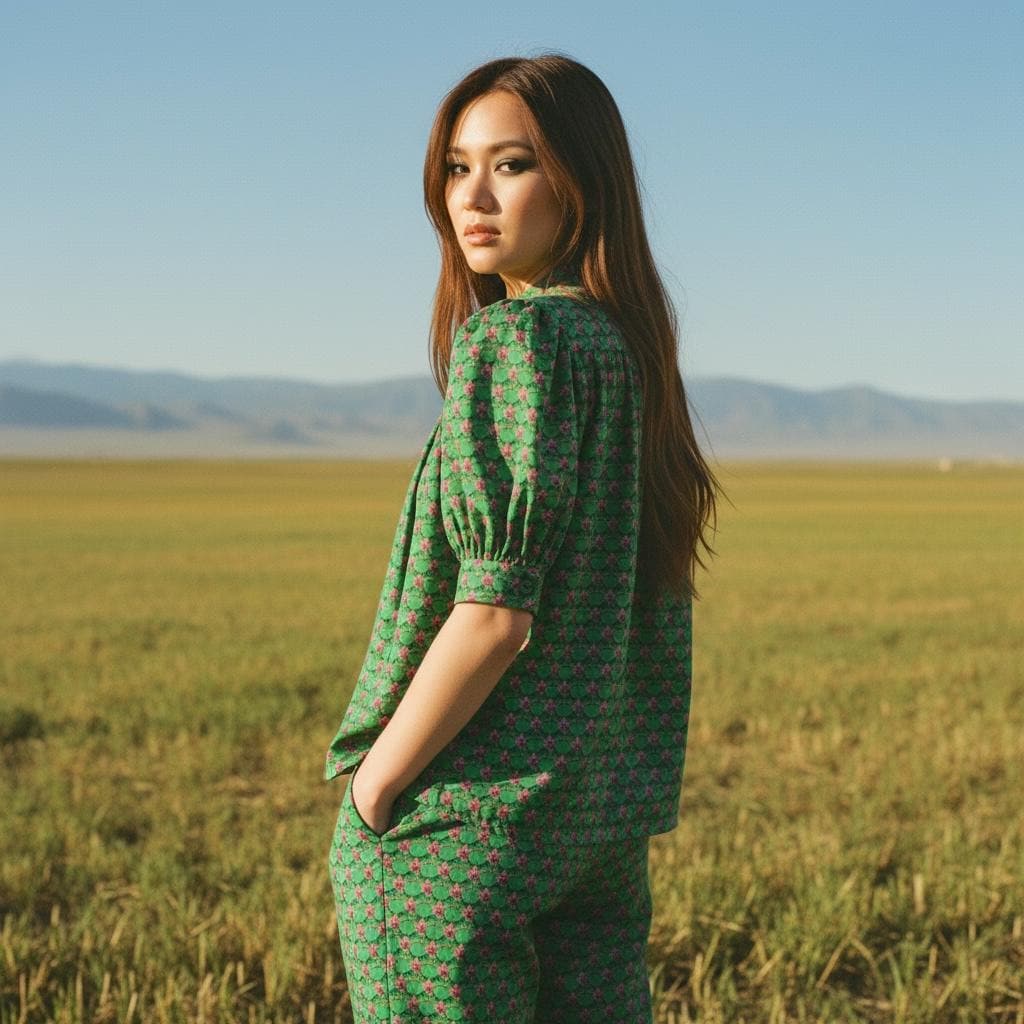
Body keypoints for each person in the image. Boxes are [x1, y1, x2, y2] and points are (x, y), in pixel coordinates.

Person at [324, 52, 719, 1024]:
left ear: (582, 180)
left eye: (511, 164)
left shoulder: (513, 342)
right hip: (591, 830)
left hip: (465, 825)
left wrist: (376, 789)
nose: (473, 196)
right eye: (457, 168)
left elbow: (494, 616)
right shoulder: (628, 357)